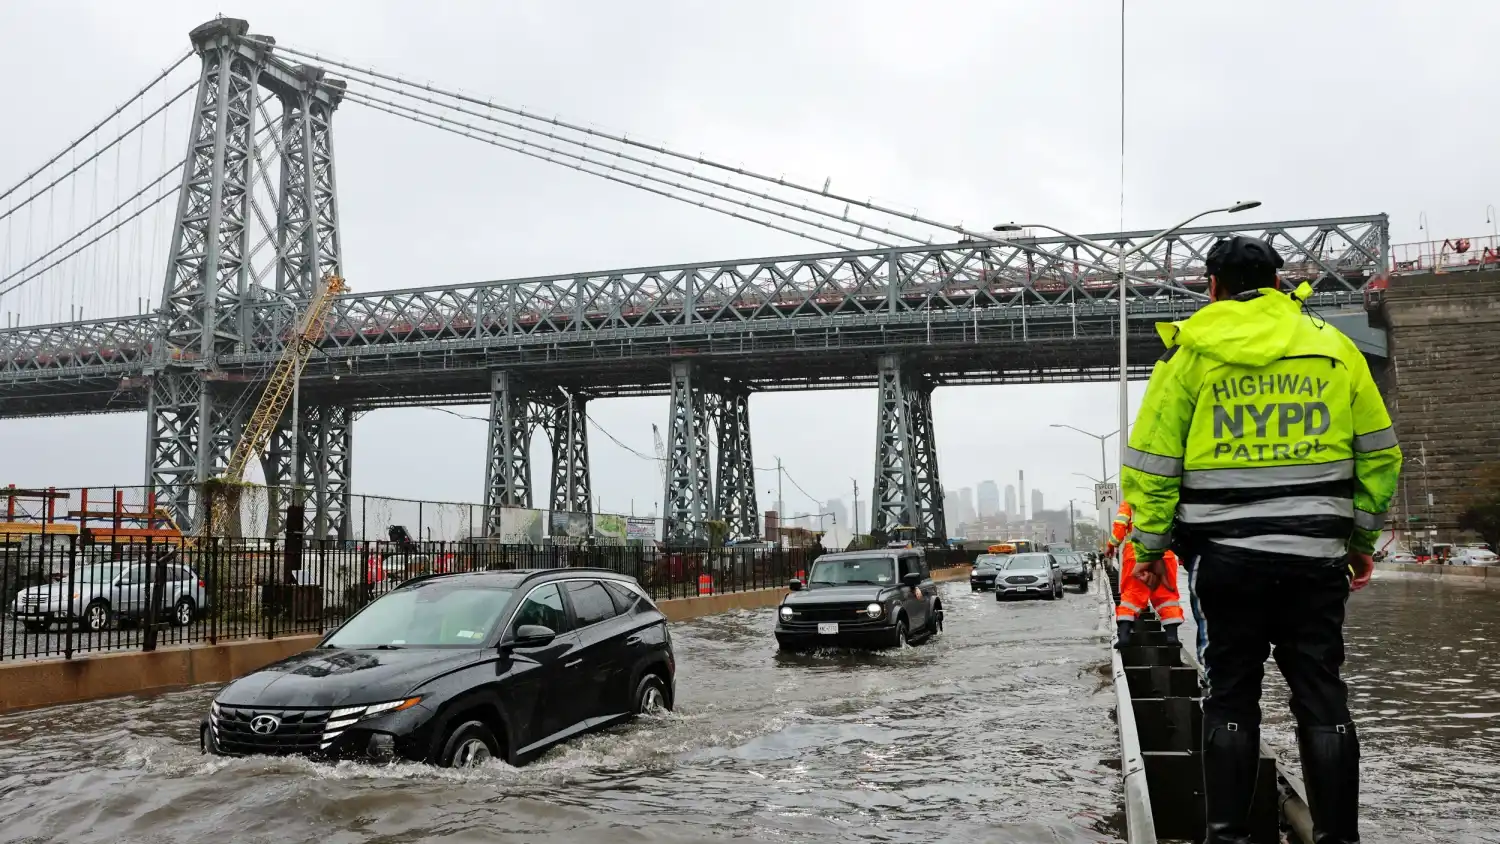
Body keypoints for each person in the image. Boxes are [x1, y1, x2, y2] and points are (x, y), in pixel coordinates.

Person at [1120, 234, 1401, 844]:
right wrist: (1360, 539)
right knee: (1322, 697)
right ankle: (1339, 838)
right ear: (1279, 282)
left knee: (1231, 696)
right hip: (1315, 560)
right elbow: (1379, 454)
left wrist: (1146, 551)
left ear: (1211, 287)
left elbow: (1153, 467)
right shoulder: (1334, 348)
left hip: (1225, 563)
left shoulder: (1189, 355)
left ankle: (1227, 837)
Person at [1107, 500, 1183, 648]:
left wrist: (1112, 545)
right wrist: (1183, 553)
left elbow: (1120, 526)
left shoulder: (1130, 500)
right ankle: (1171, 637)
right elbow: (1181, 526)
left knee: (1131, 595)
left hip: (1136, 555)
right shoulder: (1168, 498)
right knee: (1167, 596)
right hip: (1164, 553)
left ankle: (1124, 637)